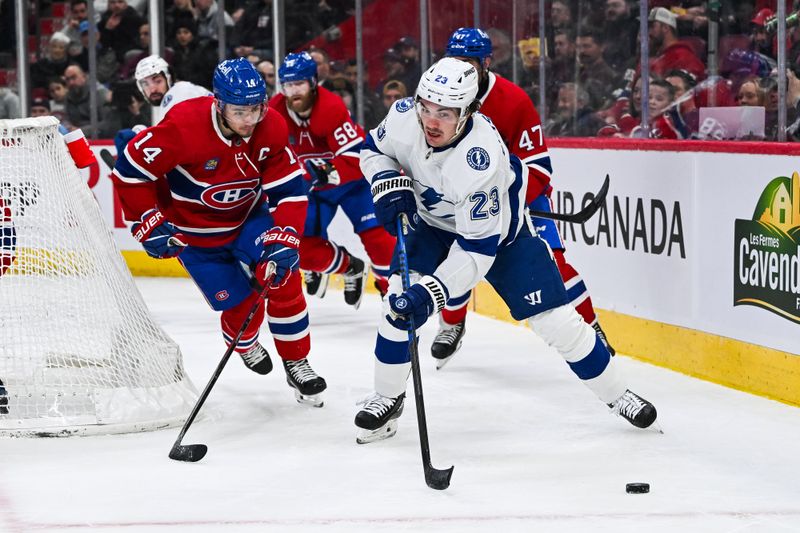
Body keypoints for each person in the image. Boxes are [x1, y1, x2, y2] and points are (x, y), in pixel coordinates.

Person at [353, 57, 657, 443]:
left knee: (558, 322)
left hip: (503, 238)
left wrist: (430, 294)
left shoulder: (480, 159)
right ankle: (386, 398)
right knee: (396, 306)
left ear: (469, 111)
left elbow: (477, 251)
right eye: (425, 107)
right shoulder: (403, 116)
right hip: (432, 228)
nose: (430, 121)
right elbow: (371, 150)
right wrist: (382, 177)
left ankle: (619, 395)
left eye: (444, 113)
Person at [112, 58, 327, 406]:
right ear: (219, 103)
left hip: (249, 219)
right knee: (246, 310)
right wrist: (145, 221)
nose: (249, 121)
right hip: (194, 236)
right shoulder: (183, 126)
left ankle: (296, 360)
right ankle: (243, 341)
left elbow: (288, 189)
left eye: (255, 109)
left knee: (282, 275)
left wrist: (285, 232)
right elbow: (130, 170)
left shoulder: (269, 125)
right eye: (239, 112)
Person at [428, 27, 615, 367]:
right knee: (455, 259)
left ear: (486, 62)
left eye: (470, 62)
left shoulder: (513, 101)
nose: (462, 69)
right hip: (462, 198)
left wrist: (509, 204)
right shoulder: (438, 96)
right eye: (455, 60)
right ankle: (451, 325)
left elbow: (539, 168)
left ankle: (591, 327)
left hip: (522, 197)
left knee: (554, 261)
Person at [269, 52, 395, 307]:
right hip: (313, 191)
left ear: (313, 82)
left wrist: (317, 171)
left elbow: (354, 157)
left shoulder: (330, 107)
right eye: (288, 85)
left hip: (352, 186)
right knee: (298, 249)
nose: (293, 91)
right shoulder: (276, 112)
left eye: (299, 84)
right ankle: (351, 267)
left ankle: (391, 293)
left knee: (380, 243)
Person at [134, 54, 211, 125]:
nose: (153, 90)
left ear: (169, 78)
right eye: (146, 84)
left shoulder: (178, 94)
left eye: (158, 81)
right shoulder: (184, 88)